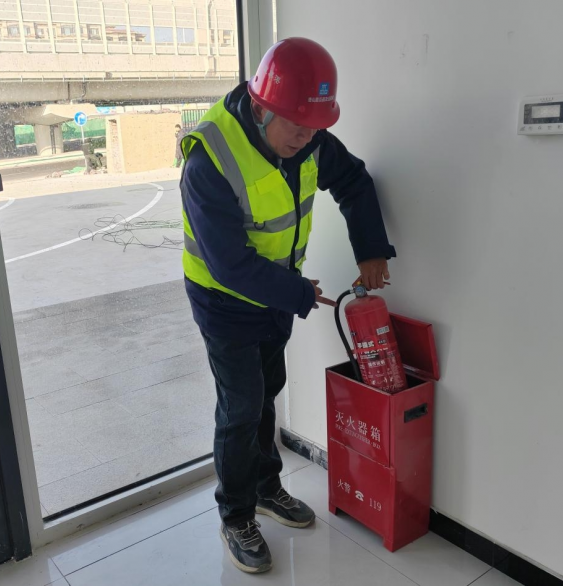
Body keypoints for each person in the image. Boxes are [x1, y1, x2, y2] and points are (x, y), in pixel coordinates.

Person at [180, 37, 396, 574]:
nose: (306, 138)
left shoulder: (309, 138)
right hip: (224, 299)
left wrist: (370, 249)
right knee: (241, 406)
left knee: (267, 389)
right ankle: (235, 516)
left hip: (275, 293)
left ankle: (265, 487)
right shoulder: (210, 158)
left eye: (315, 127)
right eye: (297, 126)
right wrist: (298, 293)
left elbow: (353, 180)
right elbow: (229, 265)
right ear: (261, 107)